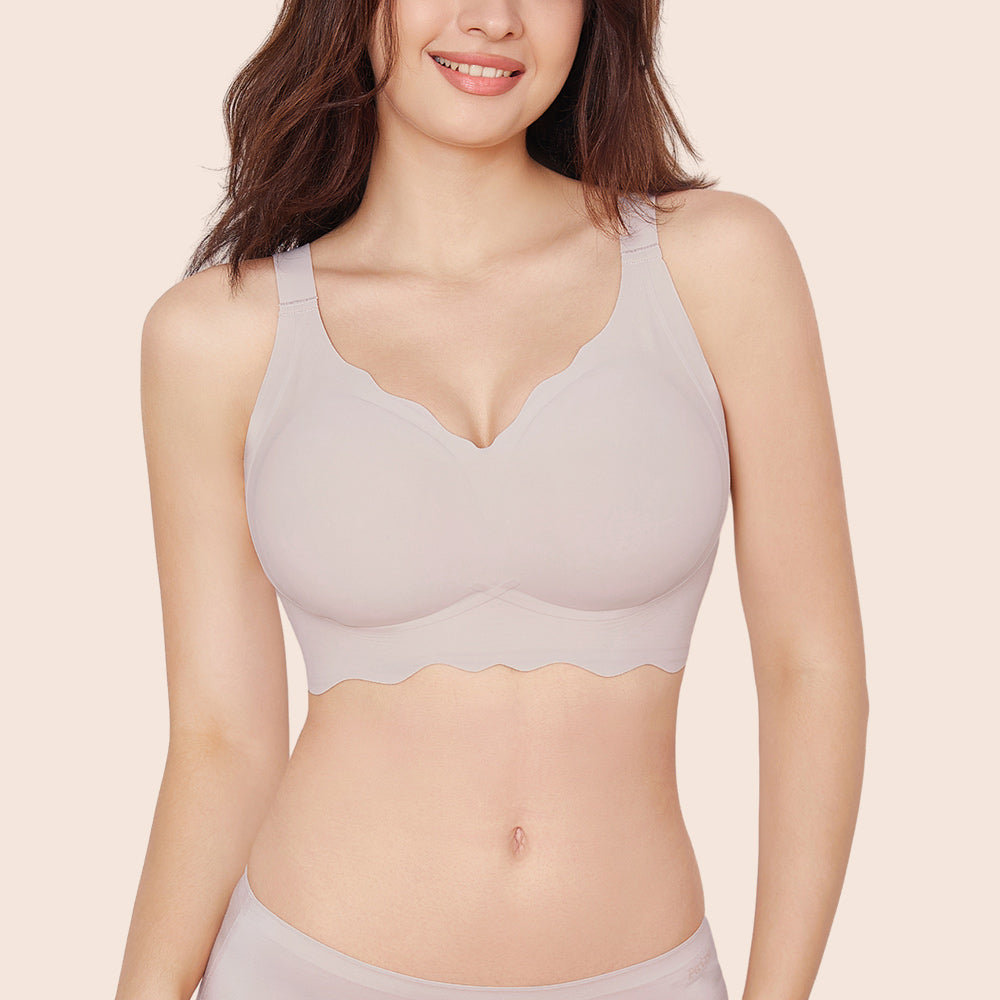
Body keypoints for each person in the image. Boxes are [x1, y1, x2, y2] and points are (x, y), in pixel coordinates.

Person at [115, 1, 869, 999]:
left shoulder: (717, 263)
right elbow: (222, 740)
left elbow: (811, 668)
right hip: (301, 966)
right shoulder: (217, 337)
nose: (494, 18)